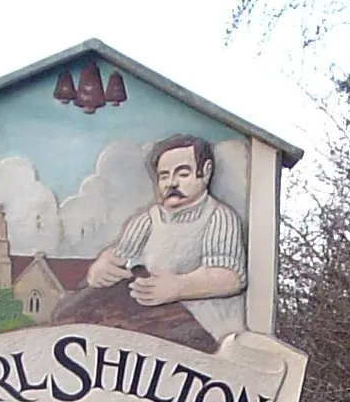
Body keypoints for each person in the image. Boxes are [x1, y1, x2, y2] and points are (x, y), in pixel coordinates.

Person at [52, 135, 247, 348]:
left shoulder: (218, 217)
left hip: (200, 329)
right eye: (164, 176)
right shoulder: (148, 220)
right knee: (73, 313)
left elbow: (231, 277)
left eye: (183, 173)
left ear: (206, 171)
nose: (172, 183)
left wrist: (179, 286)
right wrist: (102, 268)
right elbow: (121, 256)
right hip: (149, 317)